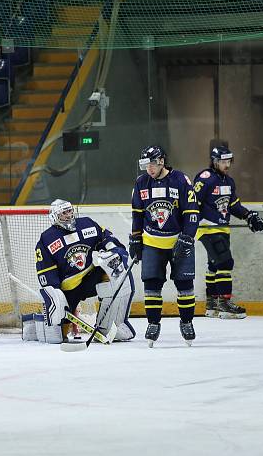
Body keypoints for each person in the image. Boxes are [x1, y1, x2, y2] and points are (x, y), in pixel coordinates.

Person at [35, 199, 135, 343]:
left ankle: (109, 326)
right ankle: (35, 325)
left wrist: (115, 250)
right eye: (64, 213)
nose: (68, 215)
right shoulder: (47, 239)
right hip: (67, 290)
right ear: (55, 217)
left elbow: (104, 237)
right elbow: (46, 271)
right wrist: (57, 297)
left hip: (89, 278)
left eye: (69, 211)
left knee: (118, 272)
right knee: (56, 337)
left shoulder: (86, 224)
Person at [130, 145, 199, 346]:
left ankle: (186, 322)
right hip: (152, 242)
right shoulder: (141, 183)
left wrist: (187, 236)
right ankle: (153, 323)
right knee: (151, 284)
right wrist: (135, 238)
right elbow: (137, 214)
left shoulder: (180, 180)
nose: (148, 169)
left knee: (184, 285)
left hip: (179, 240)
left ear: (161, 161)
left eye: (152, 163)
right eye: (145, 165)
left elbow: (192, 212)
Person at [193, 145, 263, 319]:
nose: (226, 165)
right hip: (207, 228)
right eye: (223, 162)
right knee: (225, 262)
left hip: (222, 228)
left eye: (228, 161)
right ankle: (225, 304)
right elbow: (192, 202)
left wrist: (249, 216)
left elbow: (233, 206)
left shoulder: (228, 181)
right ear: (215, 161)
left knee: (214, 265)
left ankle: (212, 305)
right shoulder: (205, 178)